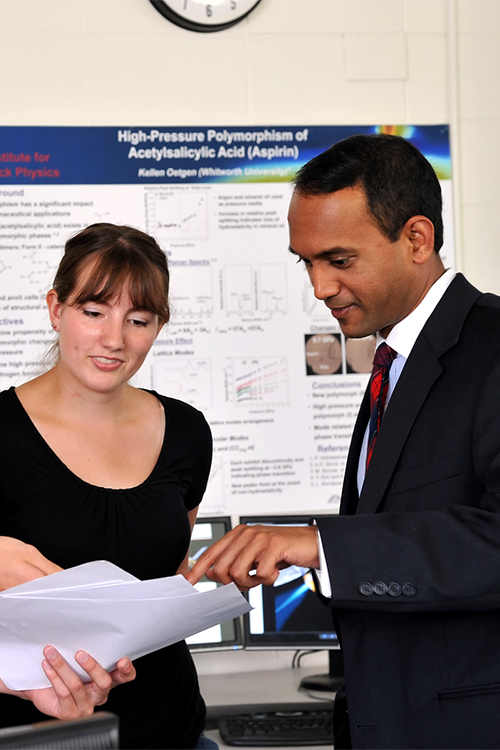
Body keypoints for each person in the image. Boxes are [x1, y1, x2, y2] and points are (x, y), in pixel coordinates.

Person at [188, 133, 500, 749]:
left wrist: (320, 545)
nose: (319, 287)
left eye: (339, 260)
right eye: (305, 262)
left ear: (417, 239)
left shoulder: (491, 349)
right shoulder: (394, 360)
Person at [0, 223, 213, 749]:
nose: (114, 340)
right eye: (94, 313)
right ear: (56, 308)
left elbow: (170, 576)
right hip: (32, 732)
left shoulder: (187, 433)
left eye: (137, 320)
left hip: (171, 728)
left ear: (158, 326)